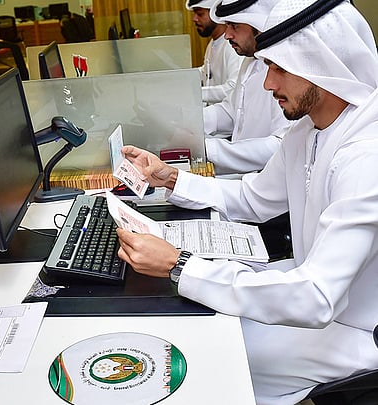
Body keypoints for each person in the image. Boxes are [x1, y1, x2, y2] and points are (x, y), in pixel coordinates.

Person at [116, 0, 378, 403]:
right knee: (198, 319)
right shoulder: (308, 131)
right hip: (315, 293)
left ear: (320, 66)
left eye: (279, 68)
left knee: (200, 357)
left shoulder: (365, 156)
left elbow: (316, 296)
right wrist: (170, 177)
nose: (268, 84)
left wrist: (178, 265)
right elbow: (253, 198)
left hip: (356, 326)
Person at [203, 0, 291, 175]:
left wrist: (209, 150)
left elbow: (281, 145)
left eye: (234, 26)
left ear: (259, 25)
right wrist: (188, 123)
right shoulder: (250, 60)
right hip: (244, 177)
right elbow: (232, 111)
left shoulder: (286, 69)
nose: (227, 35)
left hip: (267, 180)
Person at [186, 0, 243, 105]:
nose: (194, 18)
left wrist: (195, 93)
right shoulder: (213, 43)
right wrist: (180, 76)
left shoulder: (233, 46)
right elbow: (207, 72)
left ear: (215, 13)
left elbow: (233, 88)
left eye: (200, 14)